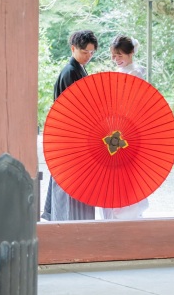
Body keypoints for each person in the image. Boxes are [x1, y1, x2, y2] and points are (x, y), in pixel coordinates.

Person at [41, 29, 98, 222]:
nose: (88, 56)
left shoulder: (79, 69)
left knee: (76, 185)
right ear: (73, 48)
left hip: (78, 135)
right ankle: (66, 223)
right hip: (70, 137)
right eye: (84, 52)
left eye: (91, 53)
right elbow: (71, 109)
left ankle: (76, 222)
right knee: (68, 184)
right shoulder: (70, 72)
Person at [96, 34, 150, 220]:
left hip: (128, 128)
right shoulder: (120, 73)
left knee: (125, 170)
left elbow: (134, 104)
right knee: (112, 173)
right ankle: (114, 211)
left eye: (120, 55)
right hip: (114, 126)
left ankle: (127, 213)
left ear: (132, 52)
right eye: (113, 56)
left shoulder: (136, 73)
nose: (116, 59)